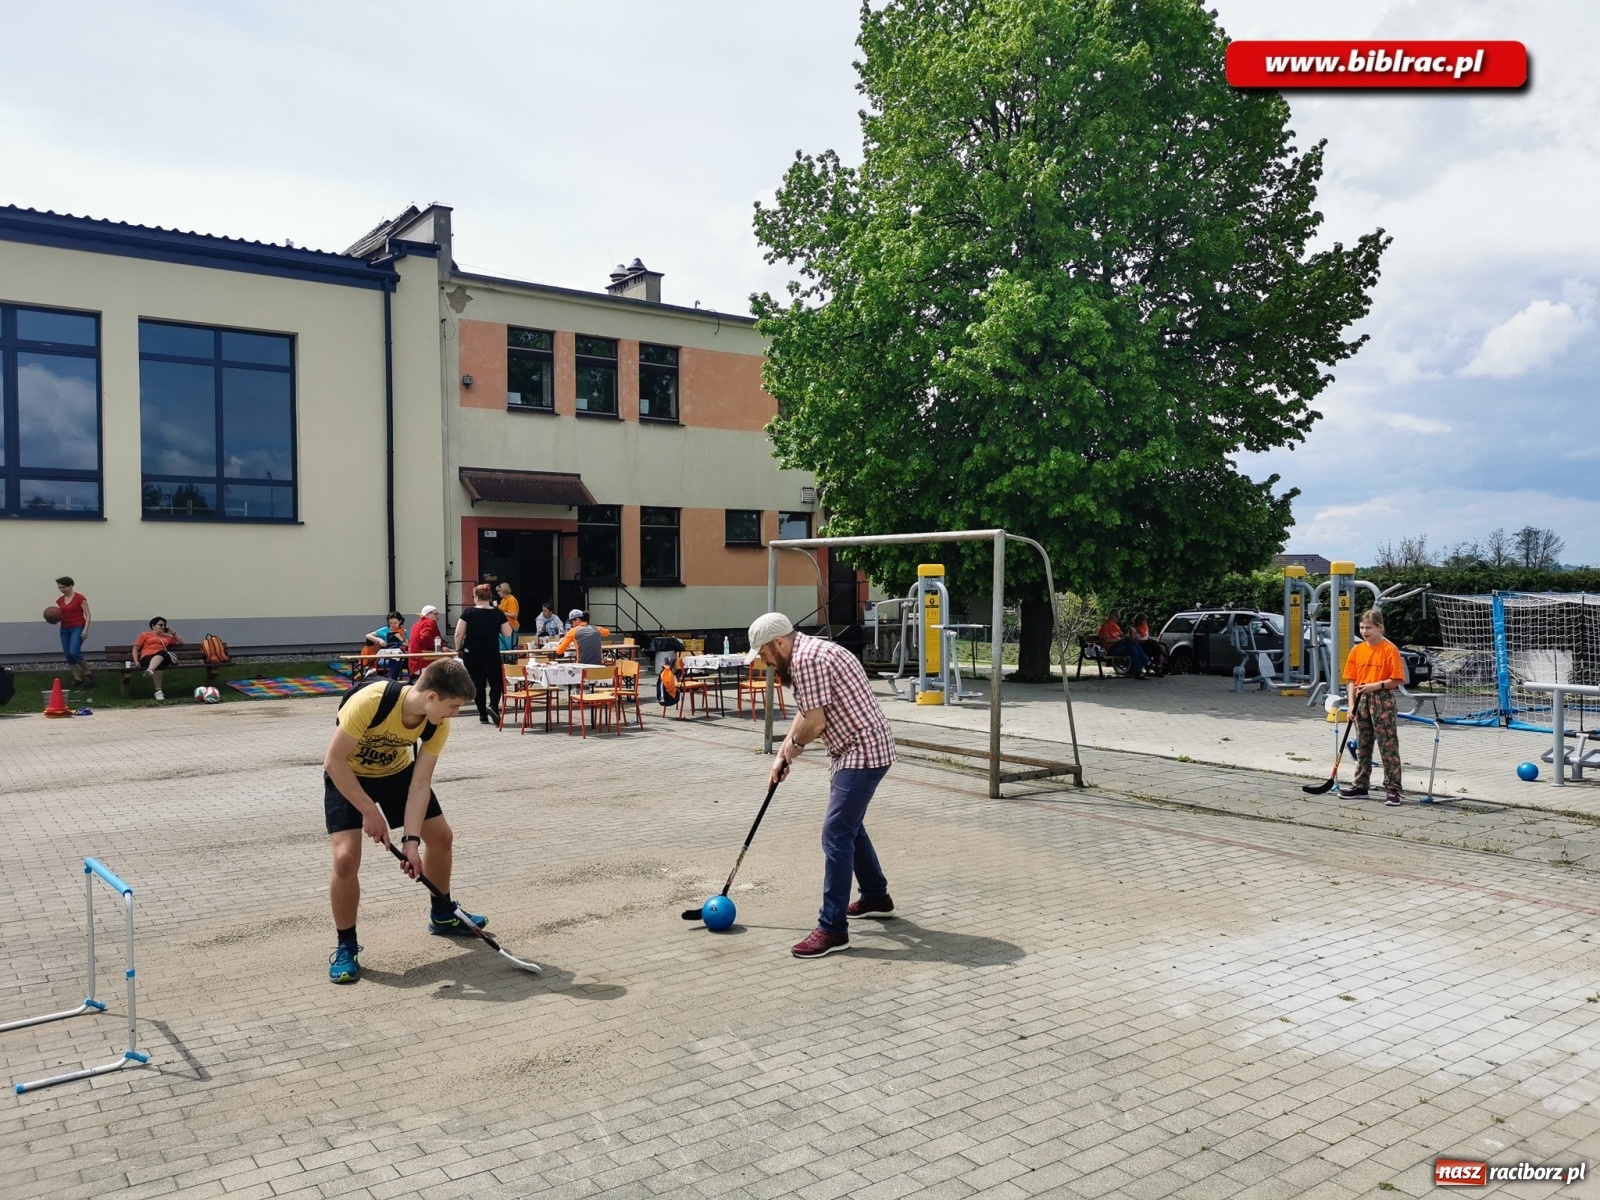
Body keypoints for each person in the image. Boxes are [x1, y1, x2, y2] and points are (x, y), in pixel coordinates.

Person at [322, 657, 484, 984]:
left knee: (440, 837)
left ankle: (442, 913)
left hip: (397, 775)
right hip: (349, 776)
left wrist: (411, 842)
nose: (455, 714)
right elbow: (334, 761)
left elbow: (420, 783)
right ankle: (346, 945)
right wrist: (369, 811)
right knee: (346, 859)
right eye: (453, 706)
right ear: (431, 697)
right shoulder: (371, 701)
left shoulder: (437, 723)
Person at [749, 612, 898, 960]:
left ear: (780, 643)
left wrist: (795, 749)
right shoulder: (809, 652)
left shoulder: (806, 661)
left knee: (836, 833)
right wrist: (782, 754)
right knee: (849, 826)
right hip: (857, 749)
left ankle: (832, 929)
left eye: (764, 653)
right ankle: (877, 896)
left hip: (863, 751)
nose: (764, 662)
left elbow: (815, 723)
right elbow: (807, 712)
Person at [1340, 608, 1408, 805]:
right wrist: (1351, 703)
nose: (1364, 631)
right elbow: (1351, 679)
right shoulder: (1357, 650)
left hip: (1382, 698)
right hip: (1361, 698)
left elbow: (1396, 680)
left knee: (1388, 744)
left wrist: (1375, 686)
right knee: (1363, 744)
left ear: (1380, 627)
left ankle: (1393, 788)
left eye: (1368, 627)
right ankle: (1361, 785)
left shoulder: (1389, 649)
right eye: (1361, 627)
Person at [454, 584, 512, 724]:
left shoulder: (468, 613)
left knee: (478, 684)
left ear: (476, 597)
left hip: (472, 652)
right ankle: (493, 706)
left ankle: (482, 714)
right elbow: (508, 633)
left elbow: (458, 633)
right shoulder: (498, 613)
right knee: (495, 682)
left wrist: (458, 648)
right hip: (491, 651)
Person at [52, 576, 93, 689]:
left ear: (70, 586)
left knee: (74, 651)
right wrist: (53, 619)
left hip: (78, 627)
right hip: (64, 628)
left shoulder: (79, 598)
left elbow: (88, 614)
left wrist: (86, 629)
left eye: (63, 587)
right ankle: (77, 678)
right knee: (68, 654)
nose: (61, 589)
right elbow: (59, 615)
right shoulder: (60, 600)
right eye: (59, 587)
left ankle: (88, 673)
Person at [131, 617, 182, 701]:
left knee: (162, 653)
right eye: (160, 625)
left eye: (164, 625)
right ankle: (158, 691)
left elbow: (180, 642)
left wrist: (173, 632)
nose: (162, 627)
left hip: (163, 656)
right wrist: (136, 661)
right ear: (153, 626)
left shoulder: (166, 637)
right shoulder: (145, 634)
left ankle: (150, 670)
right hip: (147, 658)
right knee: (159, 664)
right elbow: (135, 648)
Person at [1097, 610, 1149, 679]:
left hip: (1119, 647)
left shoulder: (1115, 626)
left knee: (1133, 648)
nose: (1118, 619)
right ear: (1112, 615)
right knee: (1132, 643)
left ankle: (1138, 673)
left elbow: (1121, 635)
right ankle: (1147, 662)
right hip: (1110, 649)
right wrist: (1120, 639)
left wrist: (1126, 636)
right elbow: (1107, 640)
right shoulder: (1105, 626)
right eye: (1117, 617)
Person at [363, 612, 408, 680]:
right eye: (391, 623)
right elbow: (368, 635)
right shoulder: (384, 630)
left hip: (399, 656)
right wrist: (379, 640)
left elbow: (407, 644)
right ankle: (393, 681)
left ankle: (410, 682)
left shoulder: (403, 631)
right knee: (396, 664)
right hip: (385, 658)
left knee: (405, 662)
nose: (393, 625)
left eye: (395, 623)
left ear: (400, 621)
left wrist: (401, 638)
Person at [1128, 611, 1169, 677]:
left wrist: (1148, 640)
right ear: (1139, 620)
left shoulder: (1145, 628)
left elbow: (1147, 637)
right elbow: (1134, 641)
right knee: (1153, 642)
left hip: (1147, 645)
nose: (1145, 622)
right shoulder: (1132, 629)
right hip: (1140, 646)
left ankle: (1157, 671)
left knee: (1156, 650)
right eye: (1143, 620)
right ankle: (1164, 654)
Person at [408, 604, 443, 676]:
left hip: (416, 664)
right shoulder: (428, 622)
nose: (438, 616)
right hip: (423, 663)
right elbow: (425, 638)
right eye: (436, 614)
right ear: (427, 615)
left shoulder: (417, 624)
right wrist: (440, 648)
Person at [496, 582, 521, 653]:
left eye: (499, 591)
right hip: (503, 626)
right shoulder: (503, 600)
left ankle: (510, 661)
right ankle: (503, 661)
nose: (498, 593)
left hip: (511, 626)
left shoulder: (511, 600)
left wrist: (503, 613)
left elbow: (514, 614)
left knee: (509, 646)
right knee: (502, 645)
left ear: (504, 591)